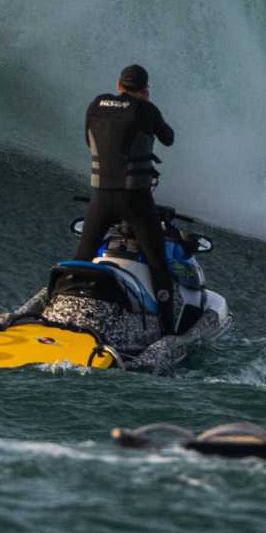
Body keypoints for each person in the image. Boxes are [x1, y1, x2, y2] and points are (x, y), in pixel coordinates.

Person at [75, 63, 178, 337]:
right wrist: (147, 110)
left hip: (100, 199)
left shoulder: (96, 104)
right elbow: (169, 138)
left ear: (119, 85)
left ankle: (69, 316)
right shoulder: (146, 109)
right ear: (145, 90)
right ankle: (168, 333)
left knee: (82, 259)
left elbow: (91, 140)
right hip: (135, 201)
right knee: (159, 266)